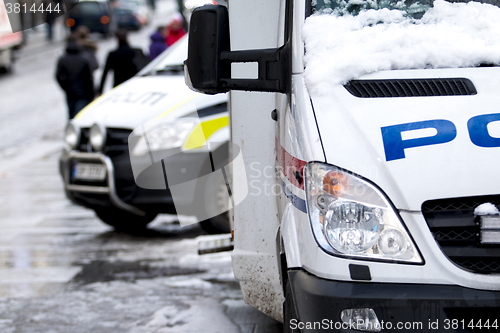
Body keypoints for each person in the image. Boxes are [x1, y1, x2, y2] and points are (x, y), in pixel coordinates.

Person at [56, 36, 95, 119]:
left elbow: (58, 77)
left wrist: (66, 87)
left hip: (70, 93)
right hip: (83, 93)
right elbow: (89, 78)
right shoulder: (84, 59)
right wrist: (91, 94)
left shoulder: (63, 59)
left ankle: (71, 131)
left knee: (71, 115)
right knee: (80, 116)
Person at [99, 29, 147, 94]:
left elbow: (105, 73)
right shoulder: (137, 51)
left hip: (118, 86)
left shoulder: (113, 54)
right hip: (134, 85)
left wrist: (100, 91)